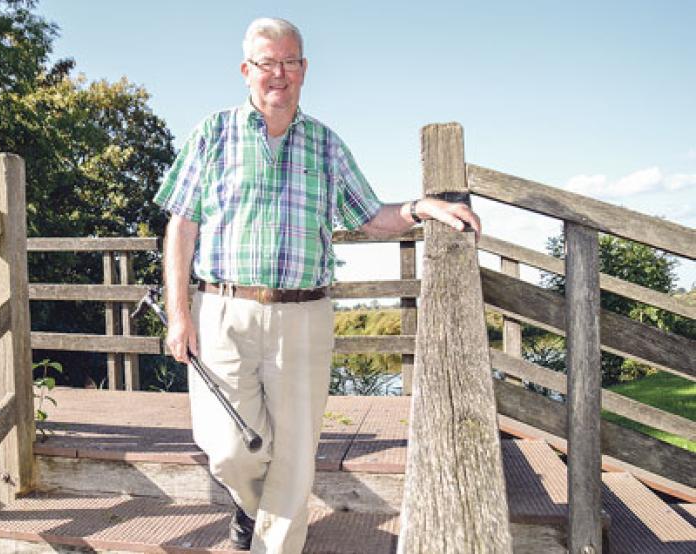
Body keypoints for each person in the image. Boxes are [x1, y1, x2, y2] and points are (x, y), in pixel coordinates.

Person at [152, 17, 481, 553]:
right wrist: (178, 314)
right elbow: (181, 225)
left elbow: (371, 216)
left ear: (304, 69)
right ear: (246, 71)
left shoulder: (325, 145)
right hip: (220, 310)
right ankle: (248, 505)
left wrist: (421, 208)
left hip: (304, 316)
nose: (278, 73)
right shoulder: (212, 133)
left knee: (295, 455)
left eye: (290, 61)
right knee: (228, 448)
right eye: (267, 63)